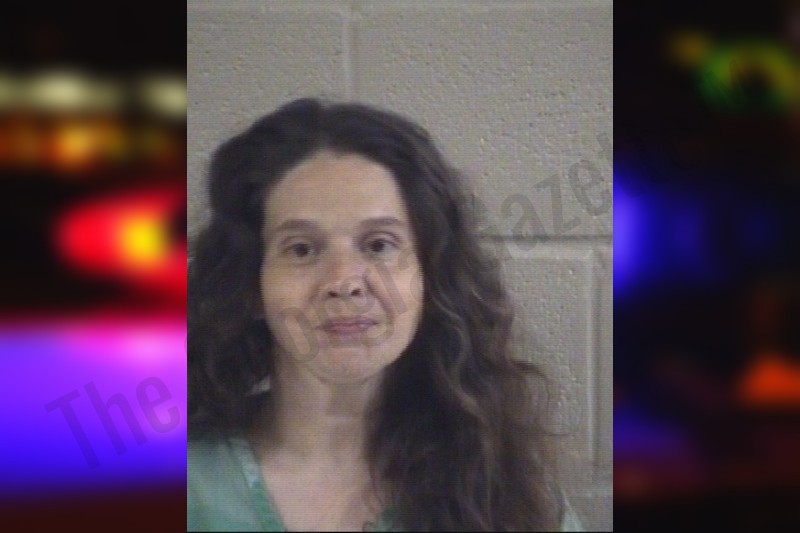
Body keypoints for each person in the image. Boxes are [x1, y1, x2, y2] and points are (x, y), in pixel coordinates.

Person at [187, 98, 582, 531]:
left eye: (379, 245)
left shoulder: (507, 489)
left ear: (430, 277)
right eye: (301, 249)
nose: (344, 281)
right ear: (250, 284)